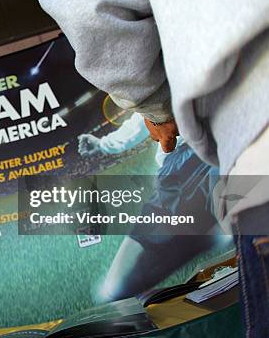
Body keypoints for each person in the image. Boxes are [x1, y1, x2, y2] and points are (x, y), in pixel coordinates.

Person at [38, 0, 269, 336]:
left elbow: (89, 5)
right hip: (218, 162)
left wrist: (156, 105)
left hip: (251, 142)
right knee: (118, 290)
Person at [78, 113, 227, 302]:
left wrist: (103, 144)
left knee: (113, 292)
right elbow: (147, 112)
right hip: (212, 156)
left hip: (191, 162)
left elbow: (147, 107)